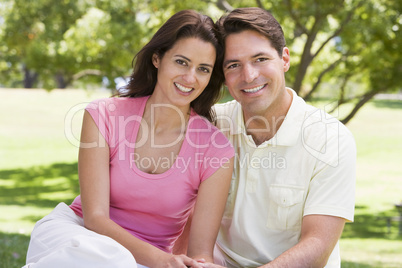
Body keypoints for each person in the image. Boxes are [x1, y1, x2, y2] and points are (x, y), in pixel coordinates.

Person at [23, 10, 234, 268]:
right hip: (77, 236)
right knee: (113, 258)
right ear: (157, 58)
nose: (190, 78)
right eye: (181, 62)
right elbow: (95, 218)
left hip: (146, 262)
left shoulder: (216, 150)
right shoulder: (104, 115)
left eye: (203, 69)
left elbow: (200, 252)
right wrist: (163, 261)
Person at [208, 7, 356, 268]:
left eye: (260, 59)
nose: (249, 75)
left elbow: (317, 246)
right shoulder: (211, 126)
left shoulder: (330, 138)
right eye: (233, 65)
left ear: (284, 59)